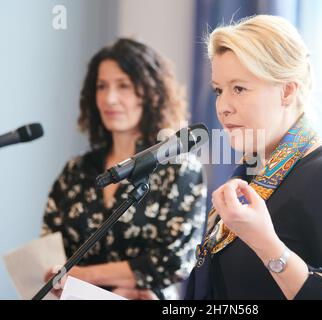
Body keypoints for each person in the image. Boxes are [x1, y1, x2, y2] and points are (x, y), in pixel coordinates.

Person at [186, 15, 322, 300]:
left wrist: (267, 245)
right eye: (219, 90)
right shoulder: (251, 173)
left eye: (239, 88)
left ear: (287, 91)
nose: (223, 106)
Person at [41, 38, 206, 300]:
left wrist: (83, 275)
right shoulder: (75, 171)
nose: (110, 98)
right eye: (102, 87)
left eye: (124, 86)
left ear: (152, 94)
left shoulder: (179, 169)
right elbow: (49, 249)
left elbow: (175, 260)